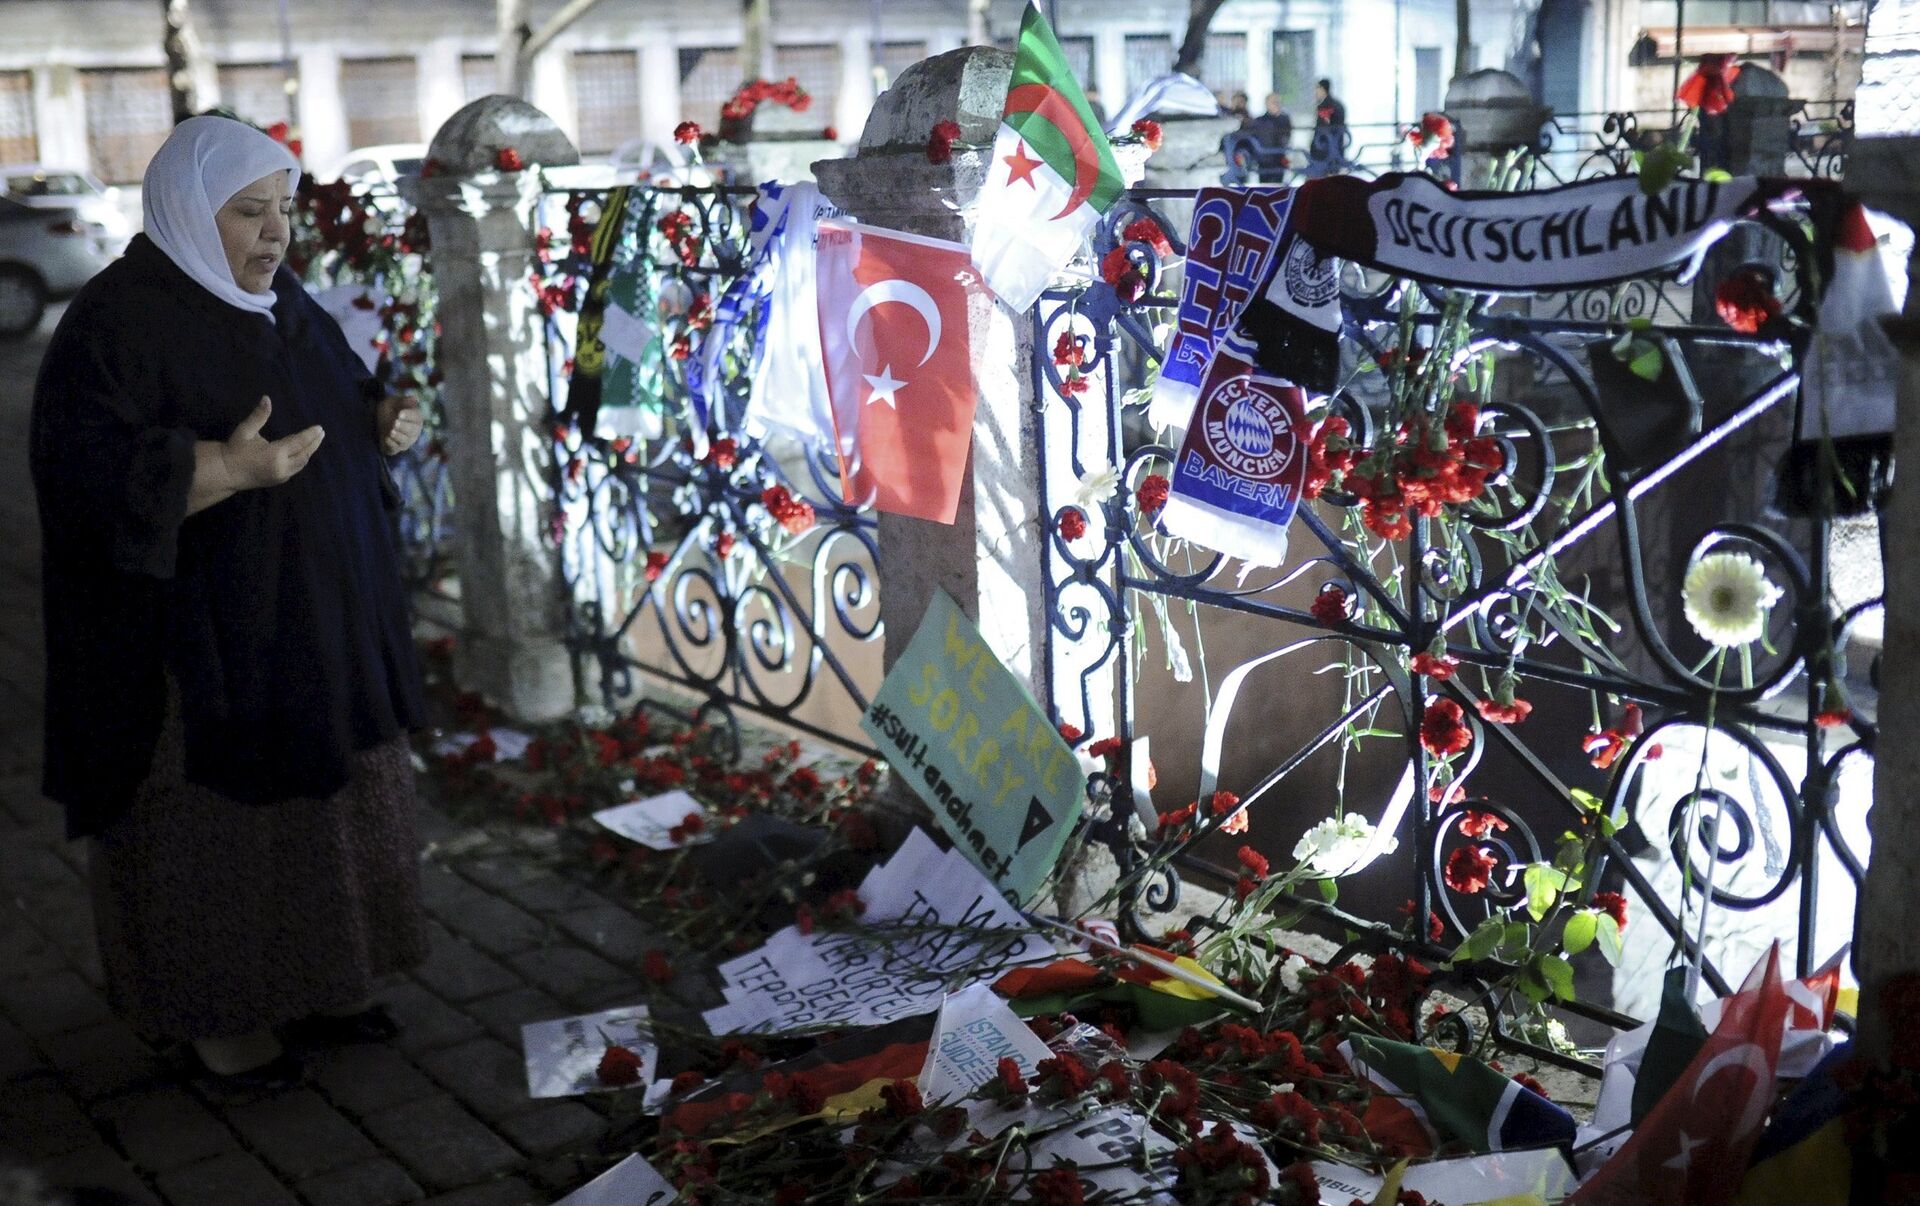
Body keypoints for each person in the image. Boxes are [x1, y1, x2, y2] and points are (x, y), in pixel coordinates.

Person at [30, 115, 430, 1084]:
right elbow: (85, 478)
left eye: (283, 208)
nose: (276, 231)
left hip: (318, 623)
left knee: (329, 812)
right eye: (250, 211)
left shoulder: (281, 301)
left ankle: (329, 981)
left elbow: (339, 387)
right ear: (183, 208)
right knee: (217, 834)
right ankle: (221, 1019)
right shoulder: (115, 324)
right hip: (201, 645)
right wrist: (222, 469)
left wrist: (381, 415)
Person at [1311, 78, 1350, 169]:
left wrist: (1315, 151)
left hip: (1324, 153)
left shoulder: (1325, 106)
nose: (1315, 92)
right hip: (1337, 150)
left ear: (1322, 89)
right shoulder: (1339, 105)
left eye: (1317, 88)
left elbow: (1322, 130)